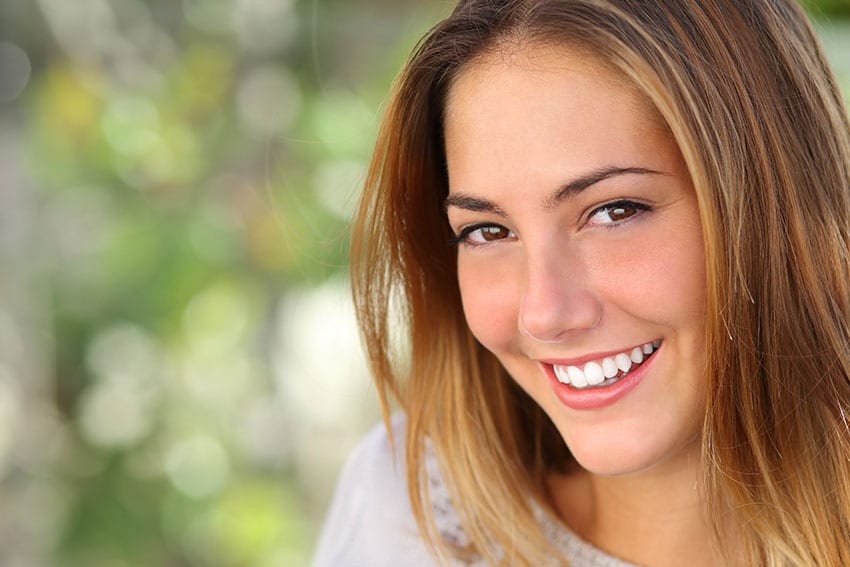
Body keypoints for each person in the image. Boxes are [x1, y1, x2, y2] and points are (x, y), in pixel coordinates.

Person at [313, 0, 850, 565]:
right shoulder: (407, 515)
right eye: (487, 231)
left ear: (773, 206)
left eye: (615, 211)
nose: (543, 313)